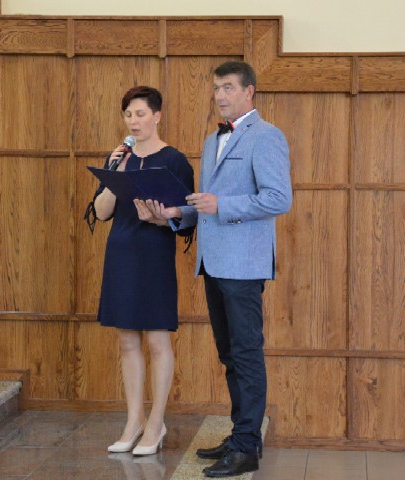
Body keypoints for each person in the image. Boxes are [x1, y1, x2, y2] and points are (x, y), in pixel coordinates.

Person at [146, 61, 292, 477]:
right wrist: (176, 214)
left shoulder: (267, 136)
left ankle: (246, 447)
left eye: (228, 87)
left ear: (249, 92)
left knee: (246, 354)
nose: (220, 95)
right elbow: (206, 204)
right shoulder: (213, 140)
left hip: (244, 265)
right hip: (212, 262)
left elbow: (279, 198)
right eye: (216, 88)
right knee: (229, 355)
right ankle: (241, 436)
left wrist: (222, 204)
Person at [93, 86, 195, 456]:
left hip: (153, 255)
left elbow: (186, 219)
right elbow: (101, 212)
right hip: (121, 253)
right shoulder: (119, 157)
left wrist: (160, 218)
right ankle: (134, 420)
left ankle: (156, 423)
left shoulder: (174, 160)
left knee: (156, 341)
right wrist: (115, 171)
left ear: (157, 116)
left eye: (140, 114)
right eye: (128, 115)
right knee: (126, 340)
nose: (133, 121)